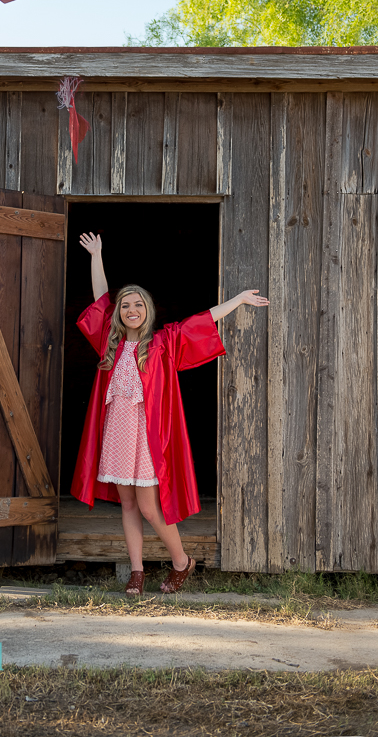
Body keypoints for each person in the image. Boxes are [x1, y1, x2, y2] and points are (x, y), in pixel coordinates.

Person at [71, 231, 269, 595]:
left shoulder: (161, 344)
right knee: (126, 504)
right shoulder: (109, 344)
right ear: (120, 314)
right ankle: (136, 571)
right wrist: (96, 255)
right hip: (115, 432)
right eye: (126, 306)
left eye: (138, 306)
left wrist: (237, 301)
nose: (132, 310)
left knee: (149, 508)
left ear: (148, 311)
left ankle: (181, 561)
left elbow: (201, 321)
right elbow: (101, 299)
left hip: (146, 437)